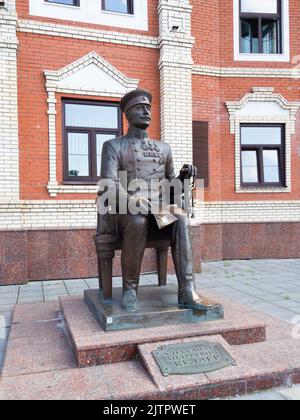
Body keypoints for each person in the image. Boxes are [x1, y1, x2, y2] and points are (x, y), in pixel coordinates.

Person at [100, 89, 212, 312]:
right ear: (128, 114)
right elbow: (109, 184)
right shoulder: (113, 146)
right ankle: (130, 289)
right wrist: (131, 200)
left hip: (160, 211)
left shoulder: (164, 148)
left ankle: (186, 290)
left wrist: (183, 175)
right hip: (127, 211)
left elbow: (173, 187)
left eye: (148, 108)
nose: (146, 111)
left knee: (180, 218)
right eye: (140, 108)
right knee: (138, 217)